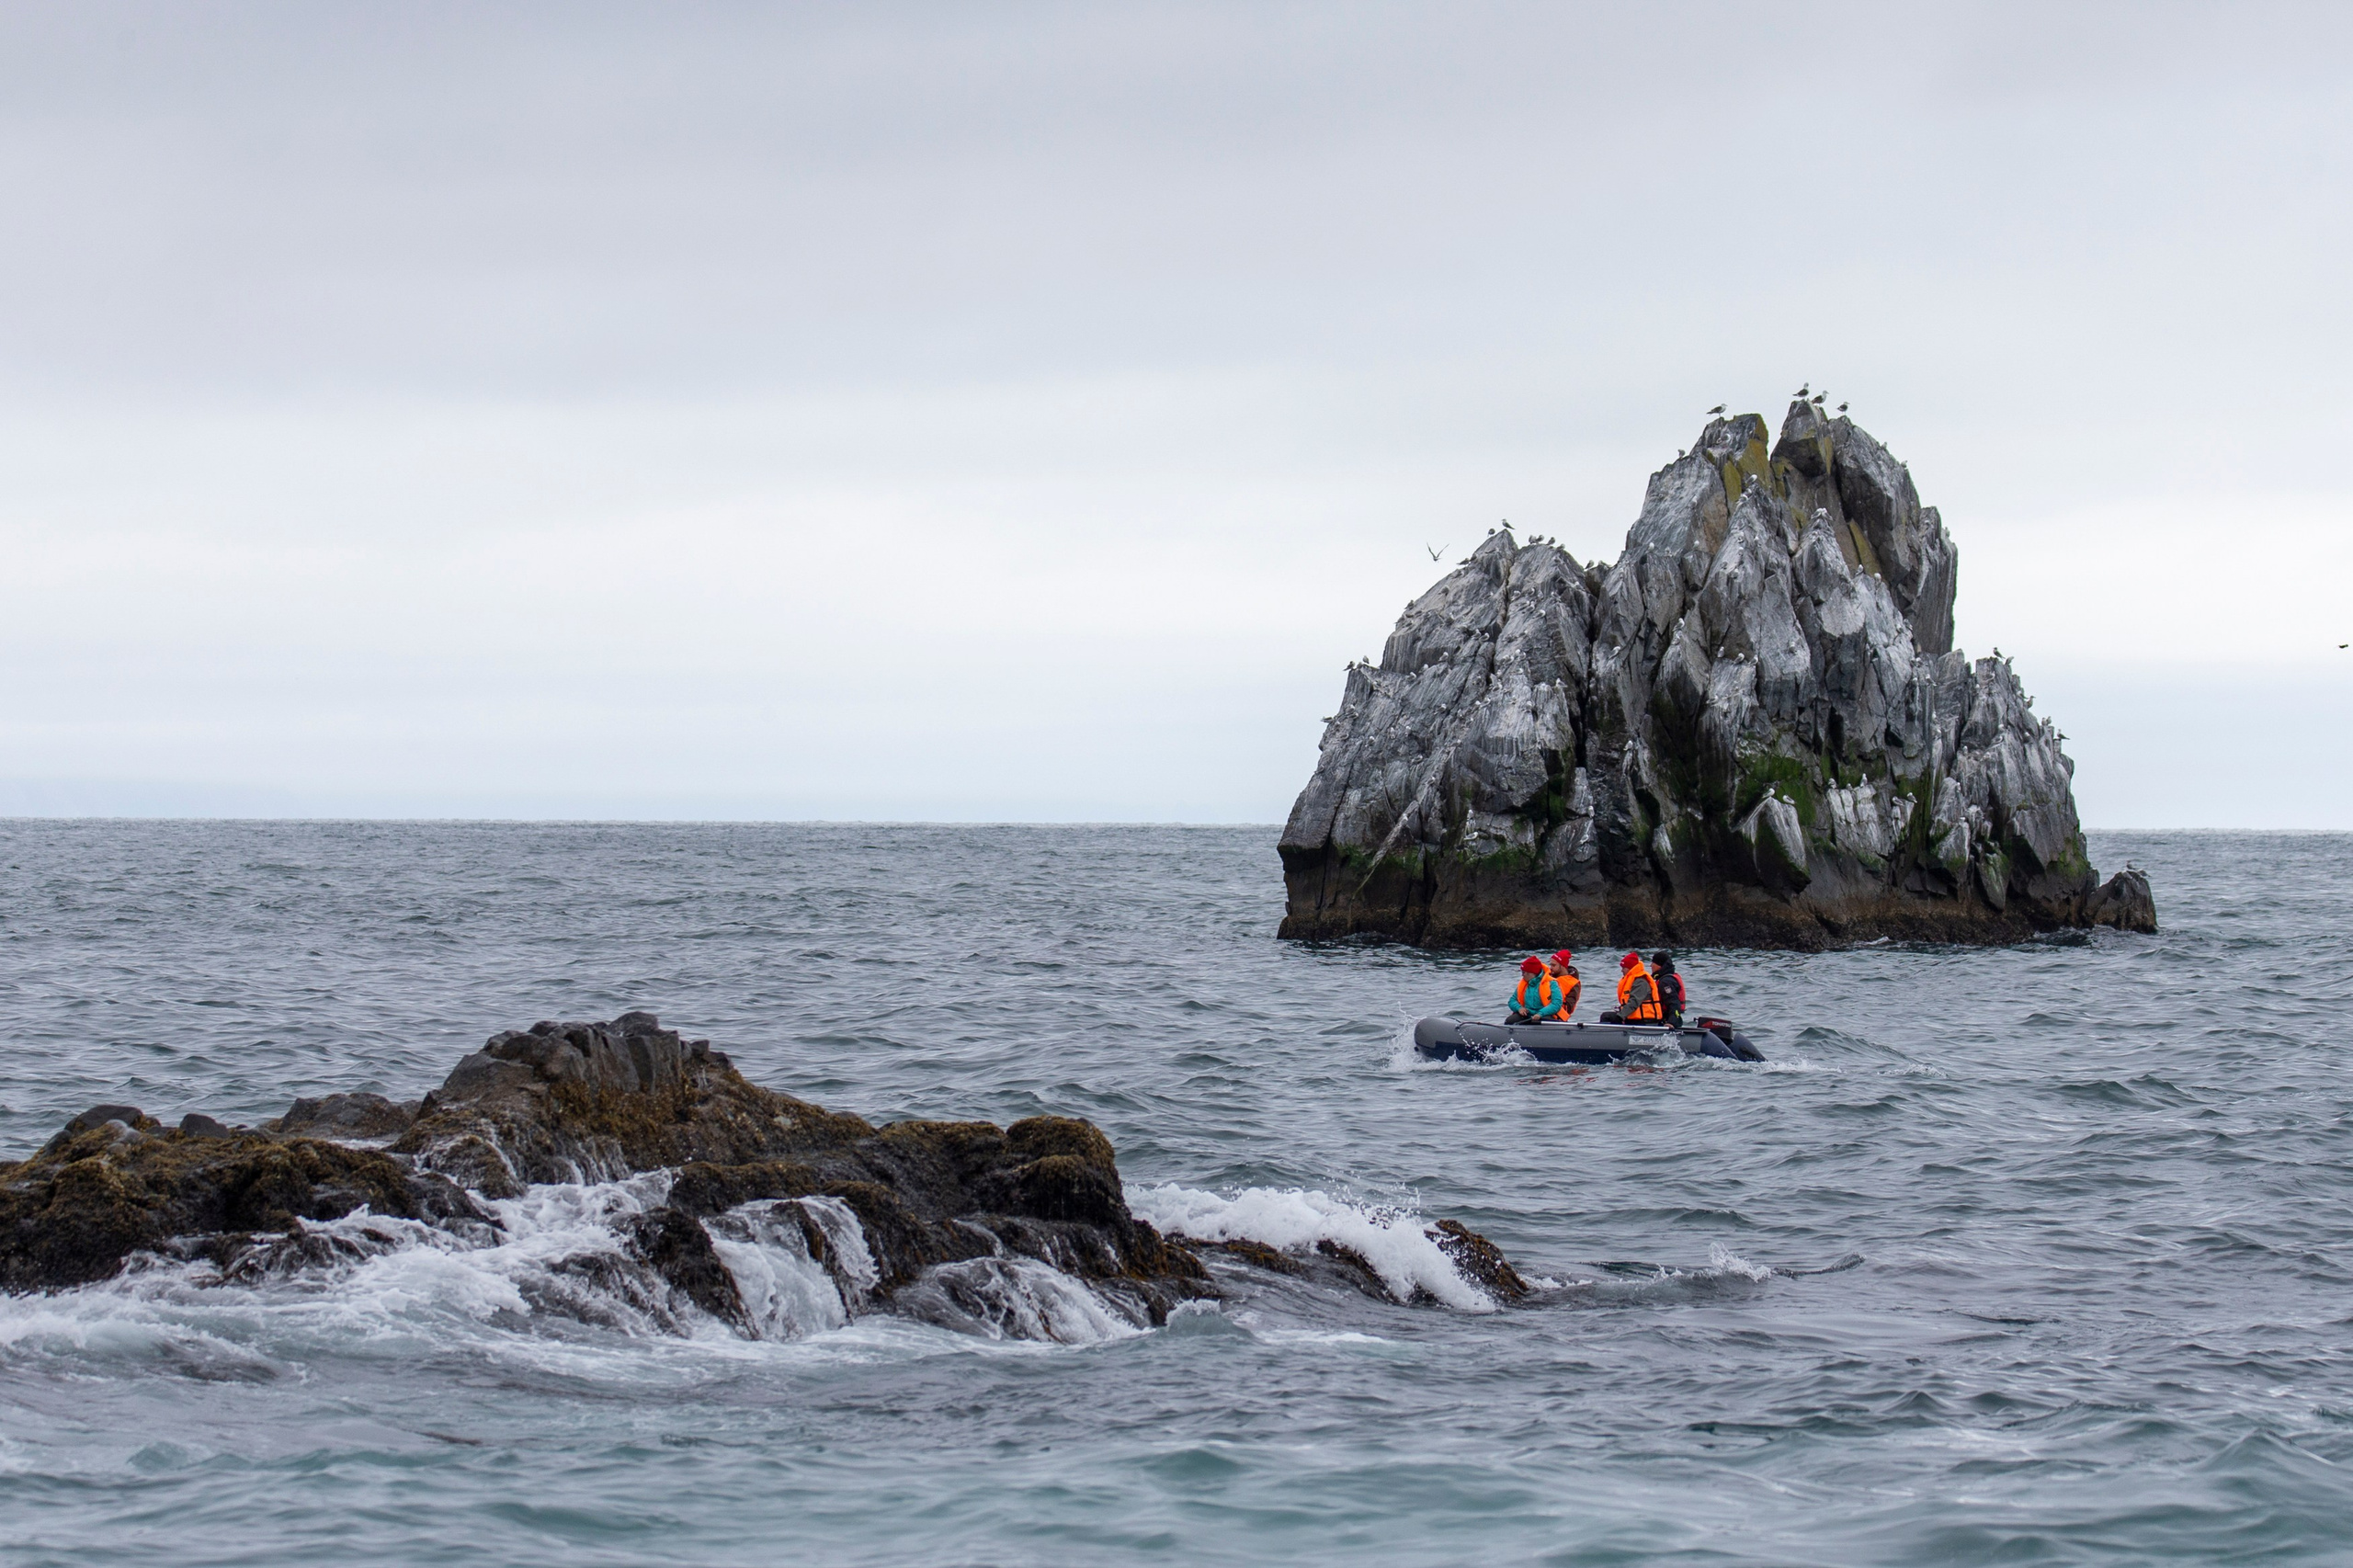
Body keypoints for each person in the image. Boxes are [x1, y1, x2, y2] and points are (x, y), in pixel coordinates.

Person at [1601, 951, 1665, 1024]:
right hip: (1634, 1018)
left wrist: (1620, 1016)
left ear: (1630, 968)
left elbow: (1634, 1002)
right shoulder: (1634, 980)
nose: (1622, 970)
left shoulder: (1641, 982)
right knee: (1607, 1016)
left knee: (1607, 1017)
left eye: (1624, 968)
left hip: (1646, 1020)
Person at [1506, 955, 1573, 1024]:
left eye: (1524, 973)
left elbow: (1556, 1004)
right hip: (1527, 1015)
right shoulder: (1523, 984)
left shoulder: (1552, 983)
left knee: (1541, 1023)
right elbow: (1512, 1000)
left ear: (1532, 973)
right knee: (1509, 1021)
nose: (1522, 975)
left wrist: (1540, 1014)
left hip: (1546, 1014)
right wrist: (1519, 1008)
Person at [1650, 951, 1686, 1028]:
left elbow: (1673, 1003)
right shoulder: (1665, 978)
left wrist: (1671, 1022)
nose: (1651, 965)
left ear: (1659, 965)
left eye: (1653, 963)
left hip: (1668, 1020)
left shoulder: (1666, 982)